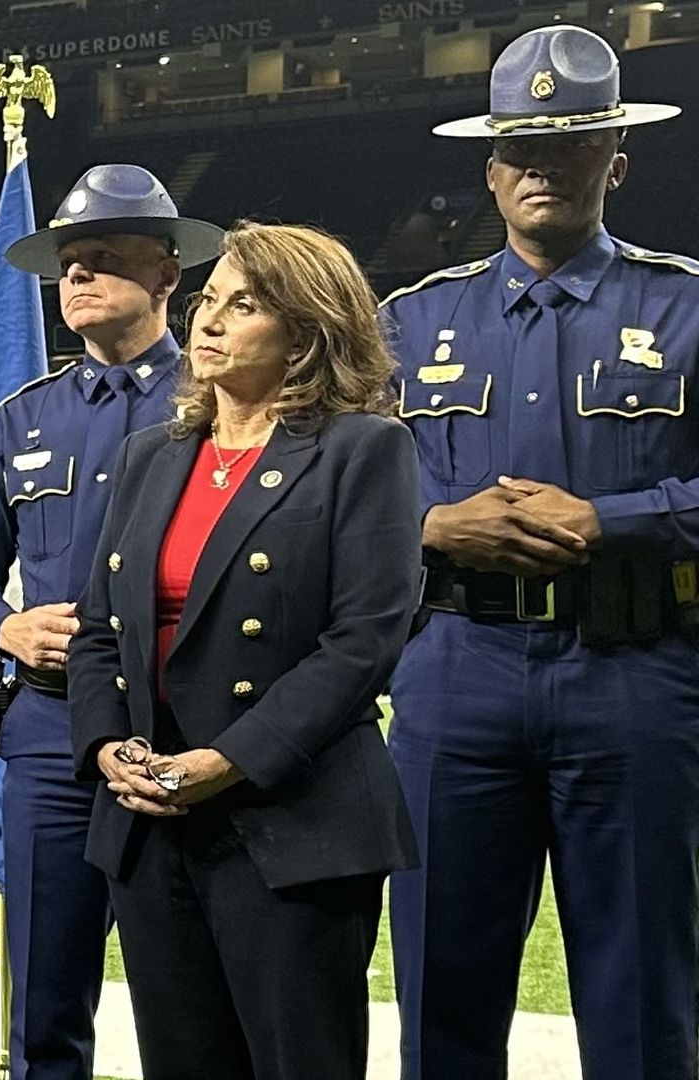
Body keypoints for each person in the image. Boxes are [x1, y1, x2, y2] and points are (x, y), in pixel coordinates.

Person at [384, 24, 699, 1079]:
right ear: (491, 167)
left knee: (645, 994)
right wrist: (431, 523)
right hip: (454, 672)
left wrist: (614, 519)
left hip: (636, 671)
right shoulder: (407, 322)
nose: (543, 168)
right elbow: (331, 493)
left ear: (615, 159)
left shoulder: (688, 304)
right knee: (439, 993)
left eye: (571, 146)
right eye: (523, 148)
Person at [67, 222, 421, 1080]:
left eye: (246, 304)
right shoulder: (154, 454)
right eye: (209, 300)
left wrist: (225, 761)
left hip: (290, 823)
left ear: (307, 331)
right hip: (151, 825)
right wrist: (108, 745)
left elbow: (362, 642)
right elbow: (97, 628)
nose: (210, 322)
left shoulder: (363, 449)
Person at [0, 163, 221, 1080]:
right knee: (44, 1004)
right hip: (52, 734)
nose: (77, 278)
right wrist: (2, 628)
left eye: (102, 258)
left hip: (187, 725)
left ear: (168, 274)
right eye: (67, 263)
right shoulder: (21, 419)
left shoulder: (225, 408)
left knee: (196, 998)